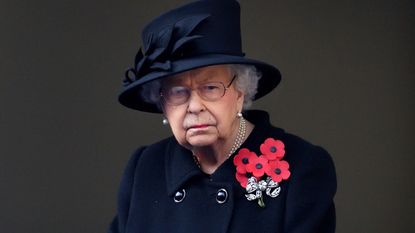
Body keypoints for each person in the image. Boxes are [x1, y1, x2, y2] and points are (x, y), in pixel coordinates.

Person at [108, 0, 337, 232]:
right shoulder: (145, 167)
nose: (194, 106)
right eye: (178, 92)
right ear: (163, 104)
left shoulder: (303, 167)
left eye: (210, 87)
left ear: (241, 91)